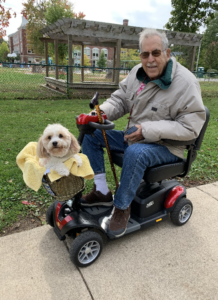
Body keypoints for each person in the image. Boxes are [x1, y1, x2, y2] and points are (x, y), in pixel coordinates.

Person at [81, 28, 206, 238]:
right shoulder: (137, 73)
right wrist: (98, 114)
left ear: (167, 52)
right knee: (92, 133)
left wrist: (146, 130)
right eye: (145, 54)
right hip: (135, 137)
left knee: (136, 153)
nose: (150, 60)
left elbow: (190, 127)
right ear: (140, 55)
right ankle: (101, 191)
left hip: (168, 147)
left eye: (156, 53)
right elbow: (120, 99)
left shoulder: (186, 83)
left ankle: (122, 207)